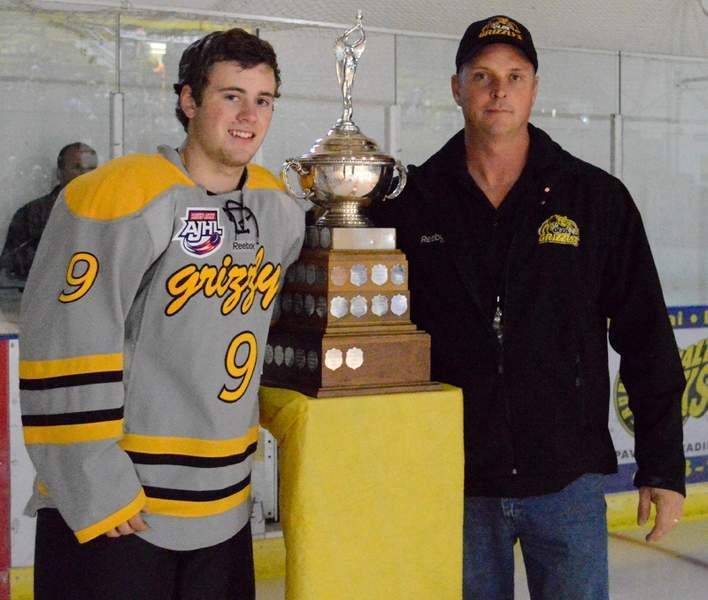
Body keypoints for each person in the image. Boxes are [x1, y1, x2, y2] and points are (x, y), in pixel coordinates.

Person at [371, 15, 686, 600]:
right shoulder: (412, 202)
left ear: (535, 89)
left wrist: (663, 467)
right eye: (483, 76)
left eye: (515, 76)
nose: (499, 91)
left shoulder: (595, 199)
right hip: (452, 483)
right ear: (457, 87)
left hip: (566, 482)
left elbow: (646, 339)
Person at [19, 28, 308, 599]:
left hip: (223, 507)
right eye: (231, 95)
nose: (248, 115)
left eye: (263, 100)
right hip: (123, 508)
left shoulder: (279, 208)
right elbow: (62, 344)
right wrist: (96, 483)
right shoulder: (118, 195)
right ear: (188, 100)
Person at [0, 142, 97, 281]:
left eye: (92, 169)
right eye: (78, 168)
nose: (86, 175)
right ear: (60, 173)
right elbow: (10, 267)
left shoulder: (109, 212)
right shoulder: (32, 213)